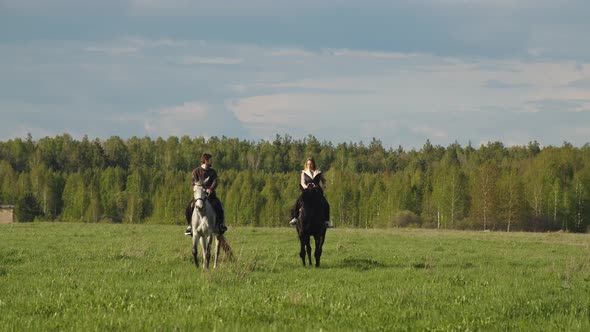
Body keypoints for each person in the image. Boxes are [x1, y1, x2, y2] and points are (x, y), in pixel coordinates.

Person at [184, 153, 227, 236]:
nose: (212, 161)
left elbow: (215, 182)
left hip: (210, 195)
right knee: (189, 208)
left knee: (219, 206)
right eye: (210, 160)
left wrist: (210, 189)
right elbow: (193, 181)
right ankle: (190, 226)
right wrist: (200, 188)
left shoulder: (212, 172)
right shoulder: (196, 171)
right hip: (200, 195)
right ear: (206, 161)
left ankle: (220, 225)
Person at [289, 157, 333, 228]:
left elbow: (324, 181)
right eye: (308, 164)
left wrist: (323, 187)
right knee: (298, 202)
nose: (309, 165)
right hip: (307, 191)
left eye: (311, 164)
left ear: (313, 164)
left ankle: (326, 221)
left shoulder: (318, 172)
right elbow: (302, 182)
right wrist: (306, 188)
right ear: (306, 165)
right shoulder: (304, 172)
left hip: (317, 191)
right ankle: (295, 218)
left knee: (326, 204)